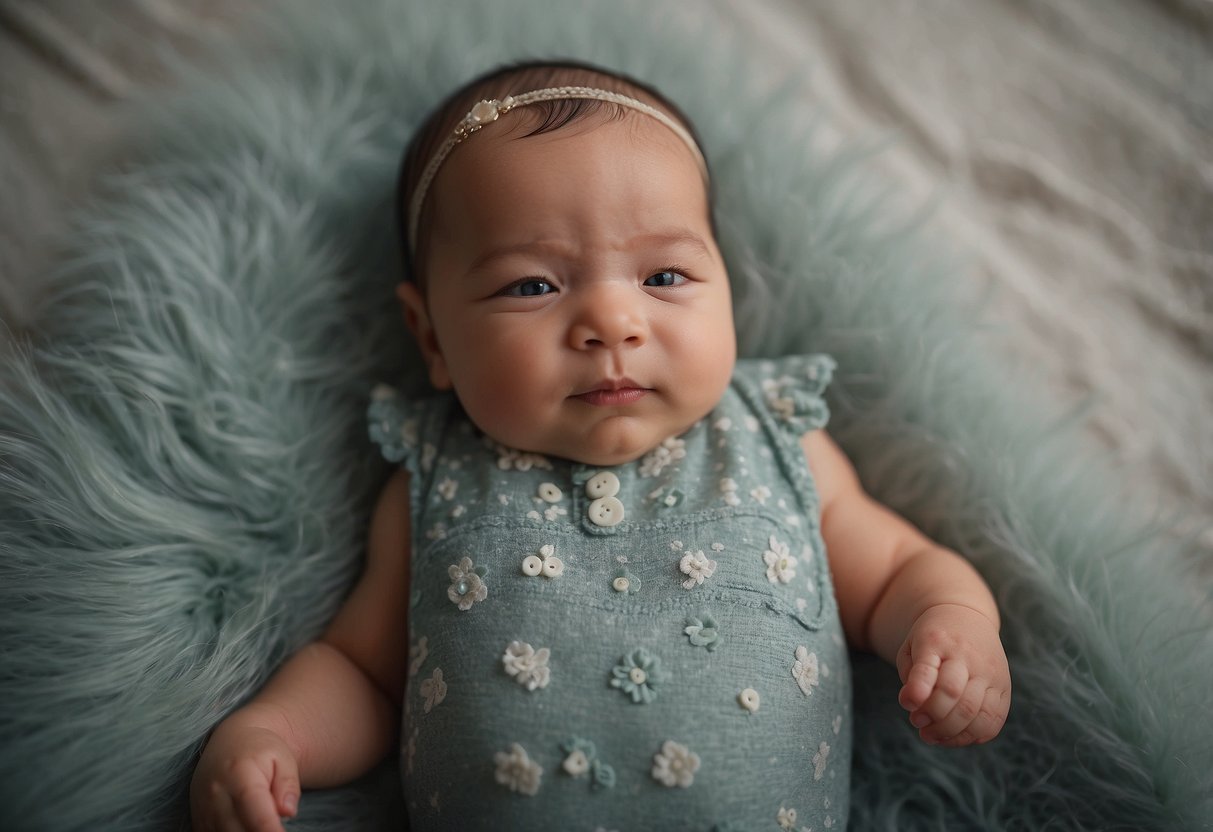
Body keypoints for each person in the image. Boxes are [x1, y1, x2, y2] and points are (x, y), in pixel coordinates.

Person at [190, 60, 1011, 832]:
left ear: (726, 284)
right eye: (532, 285)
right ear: (430, 336)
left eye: (663, 277)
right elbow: (365, 673)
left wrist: (951, 626)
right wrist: (277, 734)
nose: (612, 322)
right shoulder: (434, 481)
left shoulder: (769, 435)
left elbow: (899, 569)